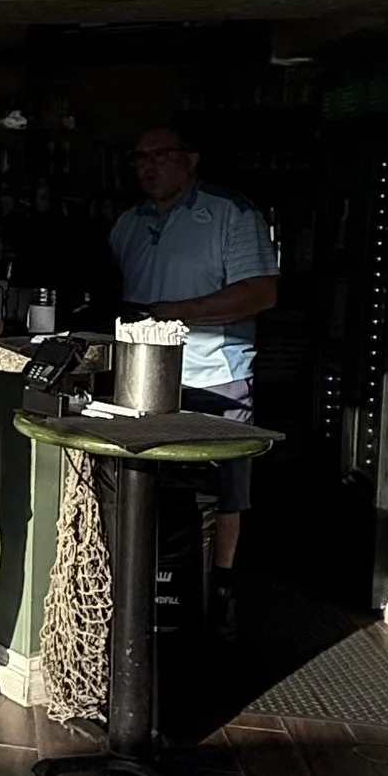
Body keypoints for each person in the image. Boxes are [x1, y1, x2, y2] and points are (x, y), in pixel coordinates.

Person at [108, 119, 279, 616]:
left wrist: (172, 312)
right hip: (142, 379)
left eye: (160, 155)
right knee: (150, 485)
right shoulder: (127, 224)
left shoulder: (232, 214)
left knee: (225, 490)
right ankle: (149, 589)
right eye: (140, 158)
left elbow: (261, 292)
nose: (148, 167)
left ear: (191, 159)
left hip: (215, 376)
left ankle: (218, 587)